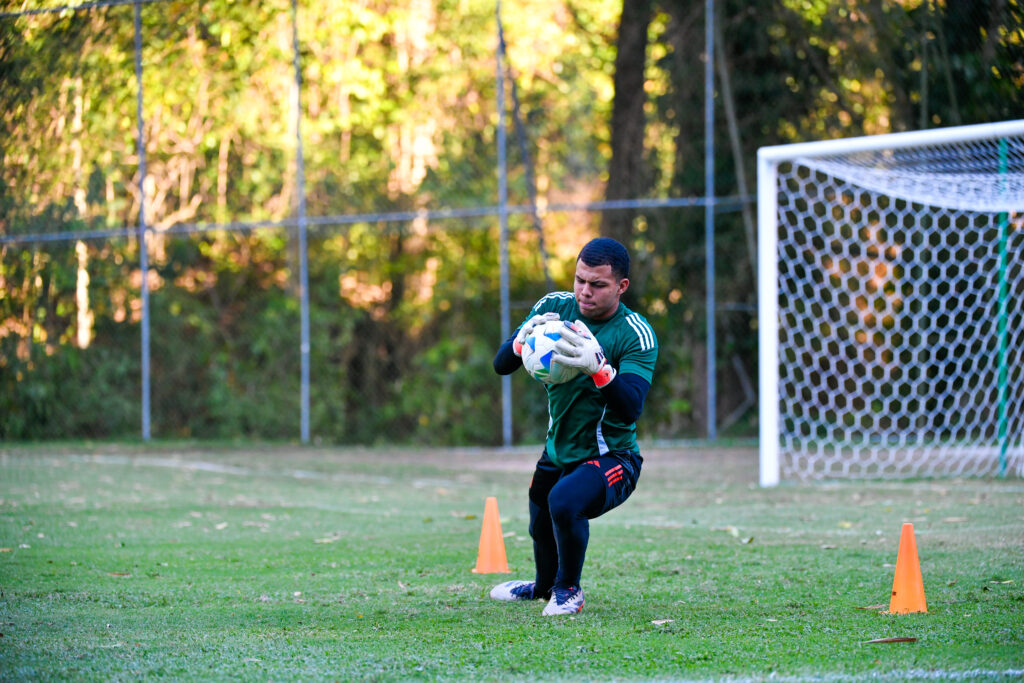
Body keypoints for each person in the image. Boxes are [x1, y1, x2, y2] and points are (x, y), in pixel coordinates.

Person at [489, 237, 659, 616]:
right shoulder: (554, 306)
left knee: (563, 502)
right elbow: (501, 365)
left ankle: (569, 591)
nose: (585, 291)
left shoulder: (635, 333)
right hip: (558, 449)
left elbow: (631, 407)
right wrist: (521, 341)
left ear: (621, 286)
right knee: (539, 513)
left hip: (613, 457)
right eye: (580, 279)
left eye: (597, 284)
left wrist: (598, 368)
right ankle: (543, 587)